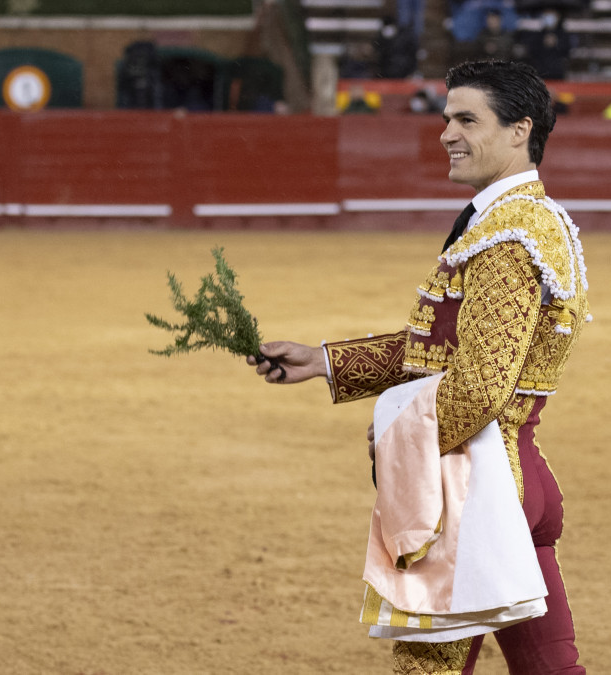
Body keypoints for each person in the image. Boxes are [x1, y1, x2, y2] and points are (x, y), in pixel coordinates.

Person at [248, 60, 589, 675]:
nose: (446, 134)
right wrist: (326, 362)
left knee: (429, 671)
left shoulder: (507, 237)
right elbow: (441, 348)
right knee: (549, 670)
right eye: (445, 119)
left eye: (466, 119)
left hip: (474, 485)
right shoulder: (526, 221)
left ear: (520, 130)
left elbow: (480, 385)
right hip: (521, 473)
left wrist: (402, 441)